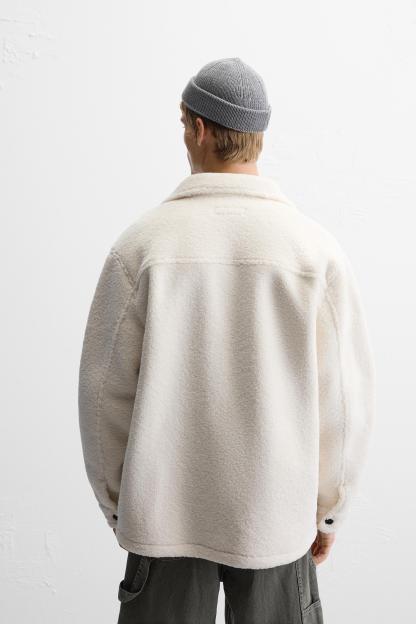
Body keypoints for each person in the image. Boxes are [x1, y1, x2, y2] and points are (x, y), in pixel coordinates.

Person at [78, 57, 376, 623]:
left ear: (198, 128)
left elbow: (102, 399)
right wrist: (328, 511)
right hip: (276, 519)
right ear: (257, 136)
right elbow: (343, 402)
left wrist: (122, 508)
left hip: (162, 516)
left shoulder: (141, 247)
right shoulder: (314, 251)